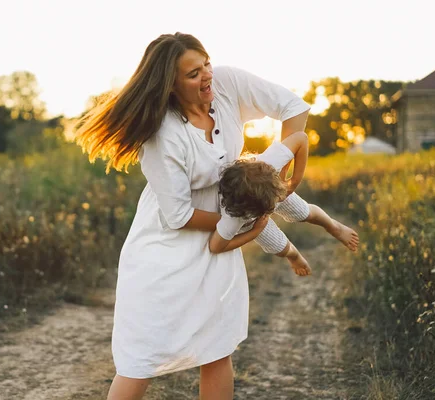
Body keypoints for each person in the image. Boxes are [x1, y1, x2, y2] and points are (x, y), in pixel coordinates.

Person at [74, 32, 310, 400]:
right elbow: (179, 216)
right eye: (193, 74)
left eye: (206, 64)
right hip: (166, 251)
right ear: (170, 85)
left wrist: (273, 180)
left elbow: (293, 106)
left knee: (216, 348)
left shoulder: (227, 84)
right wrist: (242, 219)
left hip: (217, 245)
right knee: (141, 357)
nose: (207, 76)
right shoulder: (162, 136)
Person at [209, 131, 360, 276]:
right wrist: (254, 231)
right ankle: (294, 257)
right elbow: (216, 246)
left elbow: (301, 138)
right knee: (279, 246)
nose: (277, 203)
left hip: (274, 189)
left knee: (305, 212)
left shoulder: (268, 164)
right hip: (251, 222)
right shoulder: (233, 218)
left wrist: (293, 182)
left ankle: (333, 227)